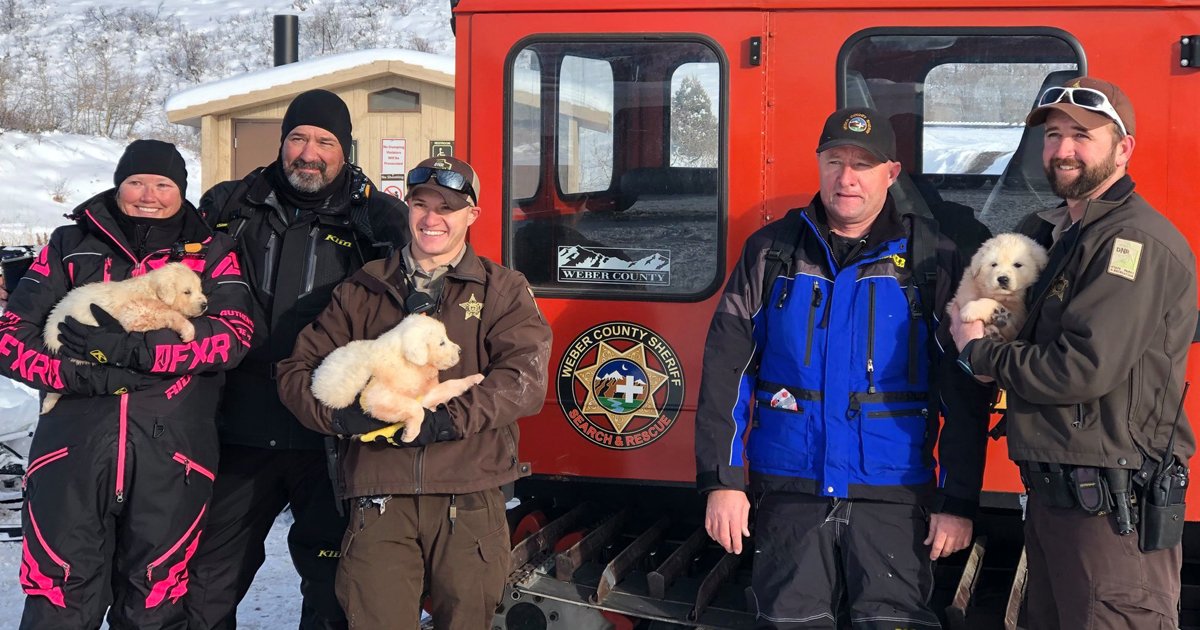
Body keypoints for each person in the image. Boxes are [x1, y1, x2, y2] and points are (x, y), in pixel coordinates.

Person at [695, 107, 992, 628]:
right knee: (789, 621)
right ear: (818, 165)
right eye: (835, 161)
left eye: (863, 164)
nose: (847, 177)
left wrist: (959, 499)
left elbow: (962, 390)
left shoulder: (931, 260)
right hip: (790, 489)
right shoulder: (772, 253)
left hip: (894, 497)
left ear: (892, 174)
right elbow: (727, 371)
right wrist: (723, 482)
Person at [951, 77, 1196, 629]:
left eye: (1082, 135)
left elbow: (1080, 368)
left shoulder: (1131, 243)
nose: (1062, 149)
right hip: (1058, 497)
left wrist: (980, 354)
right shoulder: (1063, 235)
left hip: (1111, 515)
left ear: (1123, 147)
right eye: (1053, 135)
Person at [276, 156, 551, 629]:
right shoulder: (363, 288)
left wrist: (447, 420)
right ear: (407, 208)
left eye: (447, 207)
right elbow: (294, 373)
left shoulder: (501, 289)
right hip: (379, 496)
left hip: (468, 491)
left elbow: (523, 382)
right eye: (420, 204)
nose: (431, 219)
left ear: (471, 215)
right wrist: (342, 419)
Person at [0, 139, 254, 629]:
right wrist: (79, 375)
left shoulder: (213, 253)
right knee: (59, 595)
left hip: (173, 455)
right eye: (136, 181)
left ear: (181, 190)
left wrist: (139, 353)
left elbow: (233, 337)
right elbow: (11, 336)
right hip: (71, 450)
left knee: (155, 600)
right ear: (119, 184)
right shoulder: (69, 245)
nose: (149, 194)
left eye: (164, 184)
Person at [185, 89, 410, 630]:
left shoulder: (379, 219)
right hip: (237, 427)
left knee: (333, 581)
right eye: (299, 138)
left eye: (324, 141)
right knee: (209, 575)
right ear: (283, 142)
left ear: (345, 149)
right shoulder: (228, 205)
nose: (309, 152)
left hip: (329, 435)